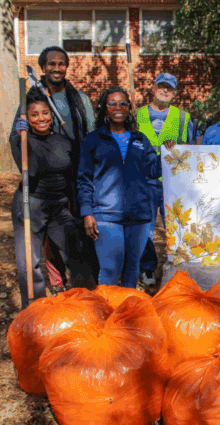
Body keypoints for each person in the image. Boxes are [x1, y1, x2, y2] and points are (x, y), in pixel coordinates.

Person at [77, 87, 162, 288]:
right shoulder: (93, 140)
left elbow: (153, 170)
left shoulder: (140, 139)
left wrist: (167, 154)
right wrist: (87, 212)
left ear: (129, 109)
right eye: (112, 103)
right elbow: (84, 179)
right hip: (106, 215)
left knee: (132, 268)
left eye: (123, 103)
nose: (118, 107)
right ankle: (107, 314)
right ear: (105, 109)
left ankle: (126, 316)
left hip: (139, 216)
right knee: (109, 269)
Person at [10, 88, 81, 309]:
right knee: (28, 264)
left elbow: (72, 176)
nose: (41, 118)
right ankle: (36, 310)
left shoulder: (63, 141)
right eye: (34, 114)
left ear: (52, 114)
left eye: (44, 113)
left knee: (79, 251)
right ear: (27, 119)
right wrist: (17, 137)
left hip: (58, 207)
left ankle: (82, 302)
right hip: (31, 205)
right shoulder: (23, 140)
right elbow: (29, 169)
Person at [35, 46, 98, 292]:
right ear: (43, 67)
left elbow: (91, 136)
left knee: (81, 226)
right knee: (52, 232)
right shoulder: (34, 98)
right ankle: (57, 282)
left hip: (77, 173)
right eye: (52, 63)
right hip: (48, 177)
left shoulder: (80, 100)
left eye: (61, 63)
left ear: (66, 67)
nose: (57, 68)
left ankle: (85, 280)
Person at [137, 73, 202, 287]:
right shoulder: (137, 115)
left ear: (174, 93)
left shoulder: (182, 117)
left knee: (174, 225)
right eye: (161, 87)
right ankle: (147, 270)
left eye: (170, 88)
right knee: (145, 228)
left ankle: (177, 267)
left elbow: (191, 147)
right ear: (154, 88)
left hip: (172, 181)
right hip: (143, 180)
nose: (165, 91)